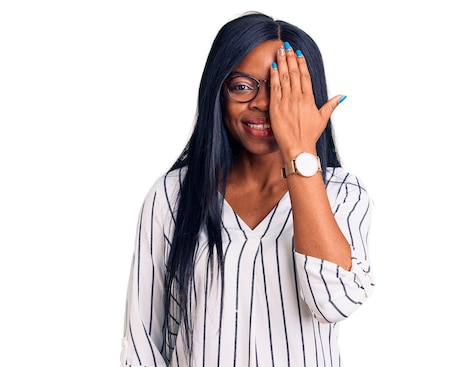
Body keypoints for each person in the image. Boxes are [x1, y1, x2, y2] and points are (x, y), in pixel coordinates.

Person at [120, 11, 375, 367]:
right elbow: (142, 344)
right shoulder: (172, 196)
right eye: (242, 86)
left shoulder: (343, 193)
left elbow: (333, 303)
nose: (263, 103)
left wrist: (300, 154)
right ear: (218, 92)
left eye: (283, 89)